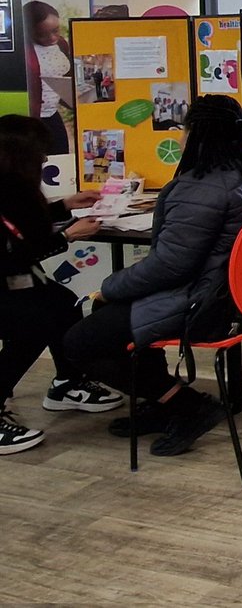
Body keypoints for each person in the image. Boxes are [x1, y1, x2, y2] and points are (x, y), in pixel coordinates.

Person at [62, 95, 242, 458]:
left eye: (182, 128)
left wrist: (107, 289)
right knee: (126, 307)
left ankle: (186, 405)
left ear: (196, 133)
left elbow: (170, 267)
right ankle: (163, 402)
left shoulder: (200, 186)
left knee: (78, 342)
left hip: (206, 304)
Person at [1, 115, 124, 455]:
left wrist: (64, 206)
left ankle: (67, 382)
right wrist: (69, 235)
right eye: (40, 152)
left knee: (61, 301)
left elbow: (25, 229)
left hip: (12, 280)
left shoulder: (14, 186)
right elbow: (13, 252)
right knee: (36, 321)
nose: (44, 159)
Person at [23, 1, 73, 155]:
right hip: (32, 118)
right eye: (42, 34)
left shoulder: (61, 44)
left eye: (55, 30)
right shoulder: (24, 51)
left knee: (61, 156)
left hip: (52, 113)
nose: (52, 38)